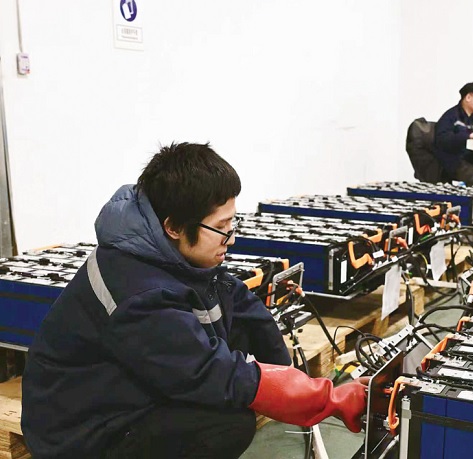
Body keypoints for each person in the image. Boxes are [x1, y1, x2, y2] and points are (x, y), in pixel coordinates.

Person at [21, 142, 368, 459]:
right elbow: (208, 373)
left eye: (233, 223)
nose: (231, 239)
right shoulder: (139, 295)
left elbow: (238, 301)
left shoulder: (164, 247)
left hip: (119, 385)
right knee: (225, 425)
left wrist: (297, 382)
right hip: (80, 430)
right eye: (222, 227)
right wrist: (329, 399)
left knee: (238, 349)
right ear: (173, 227)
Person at [434, 82, 473, 185]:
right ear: (468, 97)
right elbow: (442, 139)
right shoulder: (451, 116)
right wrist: (468, 136)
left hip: (471, 158)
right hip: (453, 160)